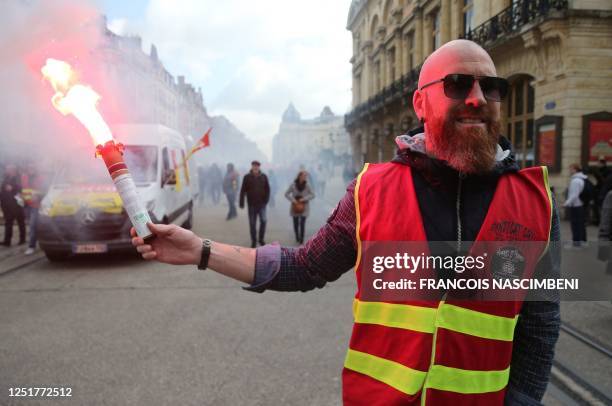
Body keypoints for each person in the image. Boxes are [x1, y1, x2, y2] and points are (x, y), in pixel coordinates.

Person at [132, 40, 560, 405]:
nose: (478, 98)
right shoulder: (370, 189)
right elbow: (305, 266)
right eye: (458, 84)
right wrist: (201, 251)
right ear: (421, 103)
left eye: (493, 87)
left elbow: (540, 327)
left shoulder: (539, 203)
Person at [239, 161, 270, 247]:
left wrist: (266, 200)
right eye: (254, 166)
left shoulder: (264, 177)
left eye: (257, 166)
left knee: (263, 221)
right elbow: (242, 190)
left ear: (259, 167)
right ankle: (253, 240)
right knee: (252, 223)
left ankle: (261, 239)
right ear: (252, 167)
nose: (255, 167)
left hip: (262, 204)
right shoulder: (247, 177)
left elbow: (267, 189)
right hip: (251, 204)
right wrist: (241, 202)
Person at [21, 163, 46, 255]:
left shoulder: (40, 178)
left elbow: (45, 191)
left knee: (32, 226)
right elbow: (22, 189)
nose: (30, 169)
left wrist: (38, 197)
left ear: (35, 169)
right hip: (26, 205)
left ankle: (31, 246)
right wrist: (20, 197)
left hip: (36, 206)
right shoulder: (24, 177)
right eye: (29, 168)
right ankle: (38, 242)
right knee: (32, 226)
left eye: (32, 168)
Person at [284, 170, 315, 244]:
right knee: (296, 223)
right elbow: (286, 194)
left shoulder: (308, 185)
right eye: (303, 176)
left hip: (304, 207)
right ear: (299, 176)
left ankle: (301, 239)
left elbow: (313, 195)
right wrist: (293, 200)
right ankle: (297, 236)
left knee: (302, 223)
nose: (305, 177)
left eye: (305, 176)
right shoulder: (293, 185)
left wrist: (304, 199)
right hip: (295, 207)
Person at [1, 164, 26, 247]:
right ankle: (7, 241)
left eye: (8, 169)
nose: (6, 170)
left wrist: (13, 188)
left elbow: (21, 188)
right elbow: (2, 190)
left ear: (13, 170)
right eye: (6, 169)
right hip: (6, 204)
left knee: (20, 222)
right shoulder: (6, 178)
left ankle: (22, 239)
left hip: (16, 204)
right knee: (8, 222)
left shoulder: (19, 178)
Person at [564, 163, 588, 247]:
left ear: (575, 169)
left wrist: (566, 203)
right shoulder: (581, 178)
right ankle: (582, 240)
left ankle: (576, 242)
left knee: (575, 224)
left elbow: (574, 195)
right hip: (580, 204)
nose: (569, 171)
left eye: (570, 169)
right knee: (580, 223)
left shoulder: (576, 180)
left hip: (576, 205)